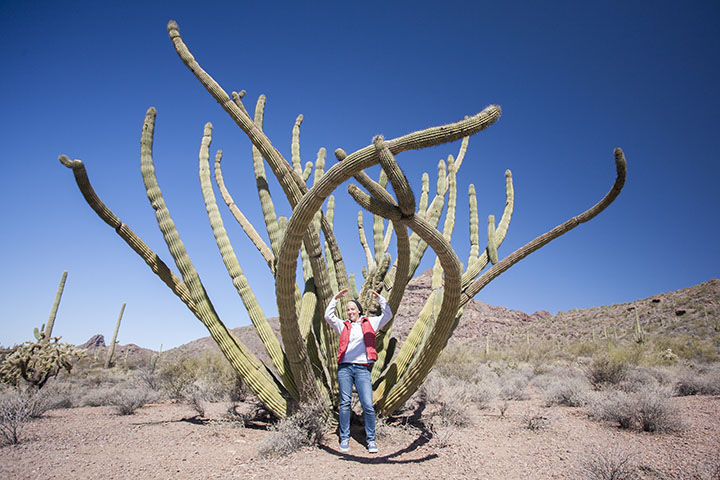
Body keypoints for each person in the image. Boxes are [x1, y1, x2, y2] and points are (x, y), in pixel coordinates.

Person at [324, 288, 392, 454]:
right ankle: (345, 437)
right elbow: (328, 316)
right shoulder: (343, 325)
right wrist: (335, 299)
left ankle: (371, 440)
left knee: (368, 405)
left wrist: (380, 299)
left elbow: (388, 315)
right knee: (345, 403)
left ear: (359, 310)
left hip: (362, 368)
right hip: (345, 368)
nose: (349, 312)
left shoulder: (370, 322)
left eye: (352, 309)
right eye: (347, 310)